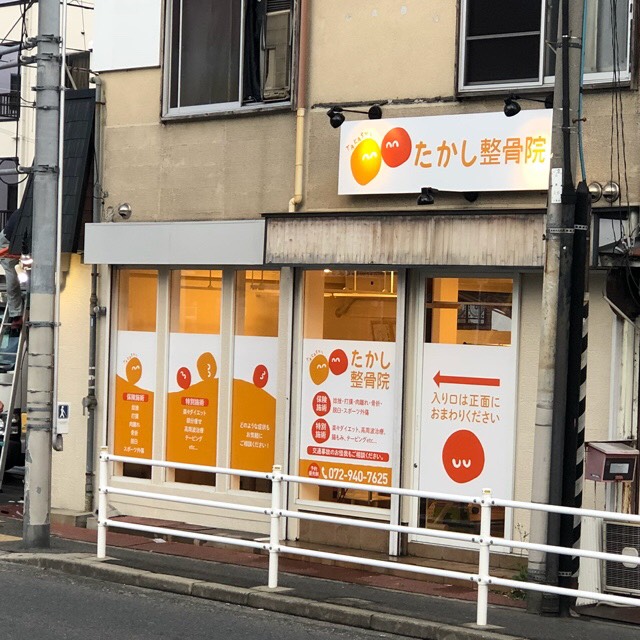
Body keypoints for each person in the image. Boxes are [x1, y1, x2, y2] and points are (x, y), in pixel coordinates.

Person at [0, 210, 22, 330]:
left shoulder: (25, 214)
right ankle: (16, 315)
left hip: (15, 241)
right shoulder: (22, 216)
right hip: (6, 242)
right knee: (12, 278)